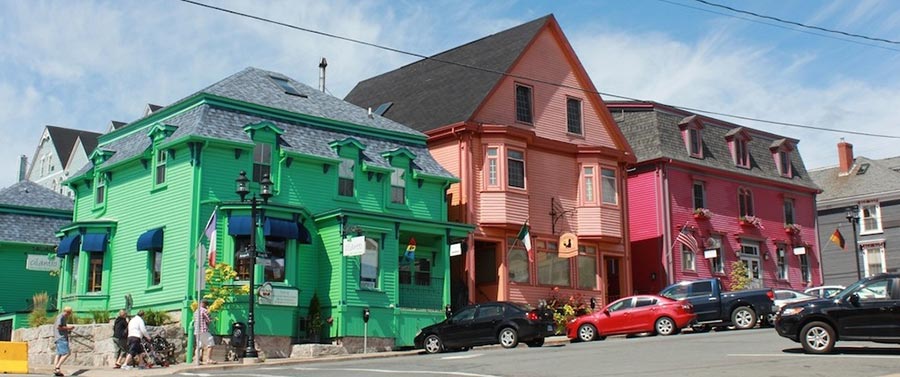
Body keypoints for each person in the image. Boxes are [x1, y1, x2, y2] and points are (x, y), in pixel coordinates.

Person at [53, 307, 74, 377]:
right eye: (69, 313)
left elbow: (61, 326)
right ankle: (57, 367)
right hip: (61, 337)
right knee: (67, 353)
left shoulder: (62, 317)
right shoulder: (61, 316)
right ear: (67, 312)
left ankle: (56, 369)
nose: (69, 315)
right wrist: (69, 328)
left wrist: (67, 329)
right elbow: (59, 327)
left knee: (58, 354)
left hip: (58, 337)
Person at [195, 300, 216, 365]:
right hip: (203, 330)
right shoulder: (204, 311)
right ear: (206, 305)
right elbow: (208, 320)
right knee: (211, 344)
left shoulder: (196, 311)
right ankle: (208, 359)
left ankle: (197, 360)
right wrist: (213, 319)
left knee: (198, 346)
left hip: (197, 330)